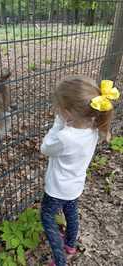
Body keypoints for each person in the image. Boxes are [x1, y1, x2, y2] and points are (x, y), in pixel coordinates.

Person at [40, 76, 120, 266]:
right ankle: (70, 245)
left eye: (58, 108)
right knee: (71, 213)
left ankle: (60, 260)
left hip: (56, 189)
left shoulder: (66, 137)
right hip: (75, 186)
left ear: (66, 113)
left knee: (47, 217)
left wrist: (58, 124)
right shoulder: (95, 128)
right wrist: (64, 121)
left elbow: (45, 148)